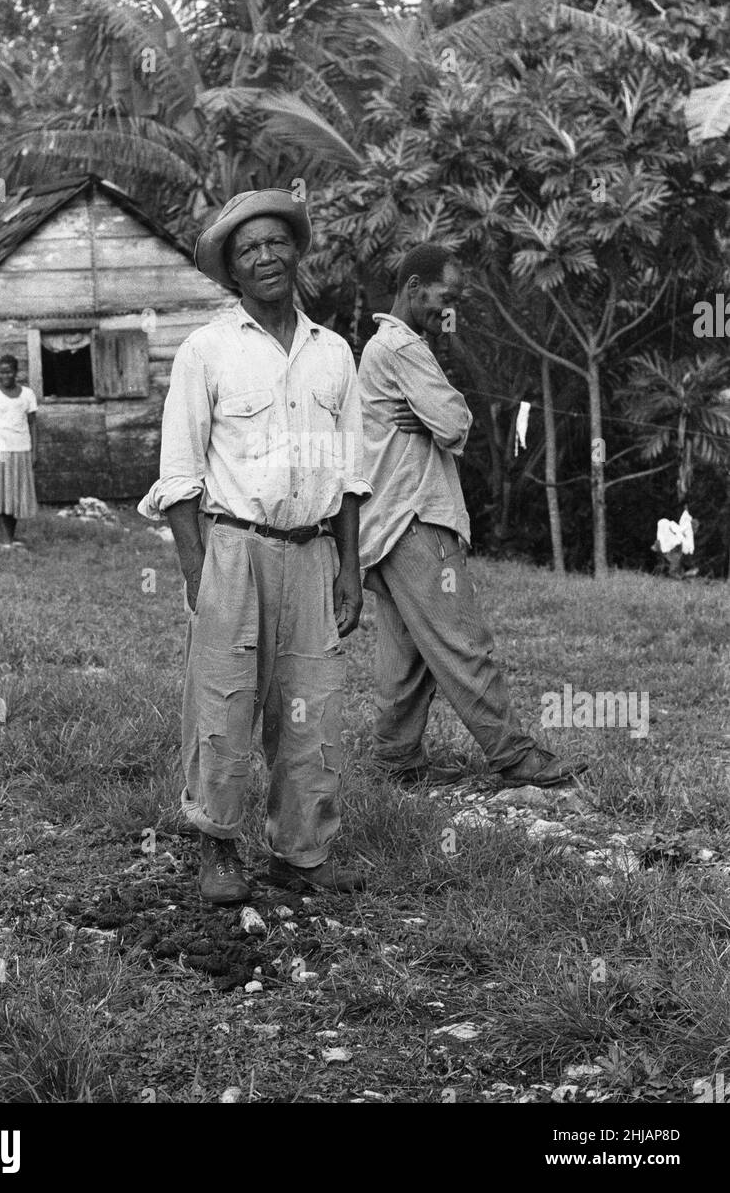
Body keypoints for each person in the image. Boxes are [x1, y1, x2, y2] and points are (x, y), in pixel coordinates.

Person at [139, 189, 370, 904]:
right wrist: (195, 570)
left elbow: (352, 474)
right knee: (224, 701)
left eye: (276, 243)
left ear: (296, 252)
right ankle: (218, 847)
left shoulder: (333, 353)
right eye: (248, 251)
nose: (265, 256)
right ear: (231, 272)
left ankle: (303, 850)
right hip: (233, 549)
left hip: (313, 554)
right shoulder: (207, 351)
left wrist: (350, 569)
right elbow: (178, 475)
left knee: (312, 705)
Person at [358, 244, 588, 789]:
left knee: (407, 654)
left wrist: (433, 412)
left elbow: (438, 419)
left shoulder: (379, 346)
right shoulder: (402, 345)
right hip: (416, 515)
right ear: (414, 286)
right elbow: (455, 422)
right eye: (446, 295)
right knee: (464, 641)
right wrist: (443, 409)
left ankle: (396, 760)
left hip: (384, 521)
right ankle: (514, 756)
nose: (450, 306)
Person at [0, 355, 38, 547]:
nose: (6, 375)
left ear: (16, 372)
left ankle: (10, 537)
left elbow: (33, 424)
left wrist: (35, 451)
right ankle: (6, 540)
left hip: (21, 449)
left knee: (14, 494)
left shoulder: (27, 394)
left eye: (9, 371)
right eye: (2, 372)